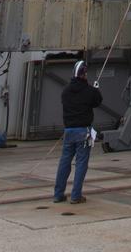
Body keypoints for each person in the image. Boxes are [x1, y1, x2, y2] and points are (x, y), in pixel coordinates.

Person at [54, 59, 102, 205]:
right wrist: (96, 89)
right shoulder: (89, 91)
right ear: (84, 74)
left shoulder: (66, 91)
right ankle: (76, 195)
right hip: (83, 131)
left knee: (64, 162)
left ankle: (58, 194)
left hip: (68, 131)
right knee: (81, 163)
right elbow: (97, 101)